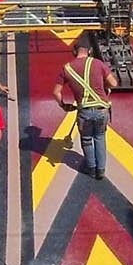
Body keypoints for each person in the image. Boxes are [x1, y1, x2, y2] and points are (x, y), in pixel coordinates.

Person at [53, 41, 118, 181]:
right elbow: (113, 83)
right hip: (101, 110)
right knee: (100, 137)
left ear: (74, 51)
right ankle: (101, 170)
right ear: (89, 51)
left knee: (87, 139)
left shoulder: (67, 69)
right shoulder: (98, 63)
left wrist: (63, 105)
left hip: (84, 112)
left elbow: (56, 92)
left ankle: (91, 168)